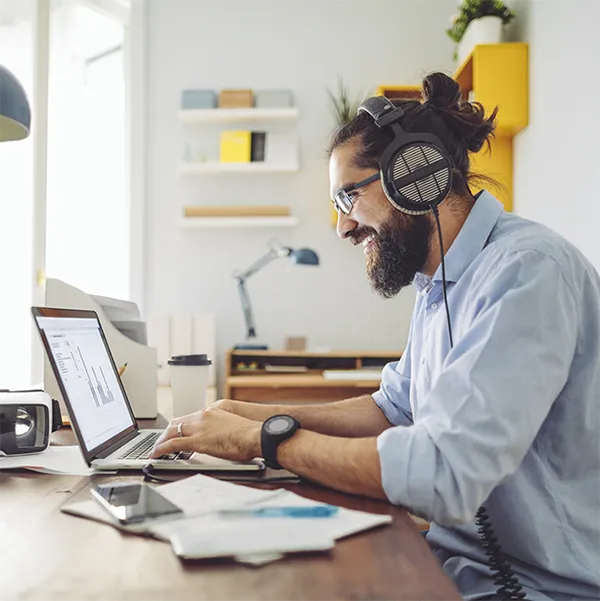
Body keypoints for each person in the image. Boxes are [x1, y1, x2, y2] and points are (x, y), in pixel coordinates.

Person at [151, 72, 600, 601]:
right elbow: (393, 409)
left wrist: (265, 440)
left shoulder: (527, 272)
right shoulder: (438, 282)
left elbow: (445, 474)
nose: (342, 228)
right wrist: (244, 412)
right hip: (450, 564)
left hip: (535, 589)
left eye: (348, 197)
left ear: (414, 176)